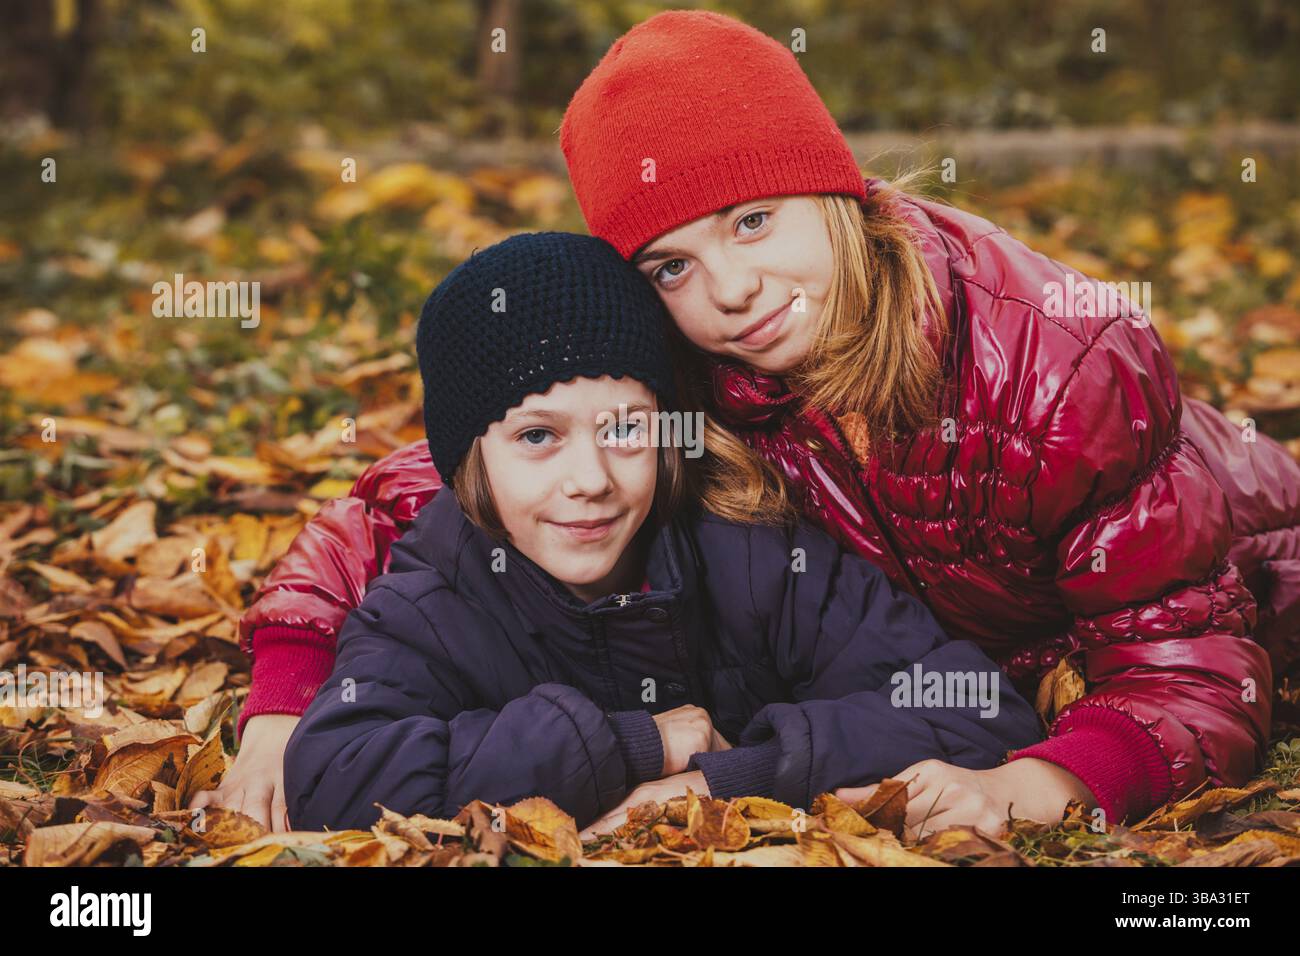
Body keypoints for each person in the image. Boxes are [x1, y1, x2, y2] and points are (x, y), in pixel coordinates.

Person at [198, 10, 1299, 836]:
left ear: (834, 189)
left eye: (754, 219)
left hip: (1235, 573)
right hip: (937, 661)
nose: (729, 290)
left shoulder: (1059, 367)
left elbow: (1193, 660)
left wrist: (1043, 781)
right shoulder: (687, 362)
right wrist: (285, 704)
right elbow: (423, 494)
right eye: (671, 262)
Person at [281, 232, 1042, 833]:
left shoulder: (752, 551)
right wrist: (634, 746)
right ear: (467, 457)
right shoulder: (439, 594)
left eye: (625, 430)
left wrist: (735, 774)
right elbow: (334, 773)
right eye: (538, 438)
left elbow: (974, 702)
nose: (590, 479)